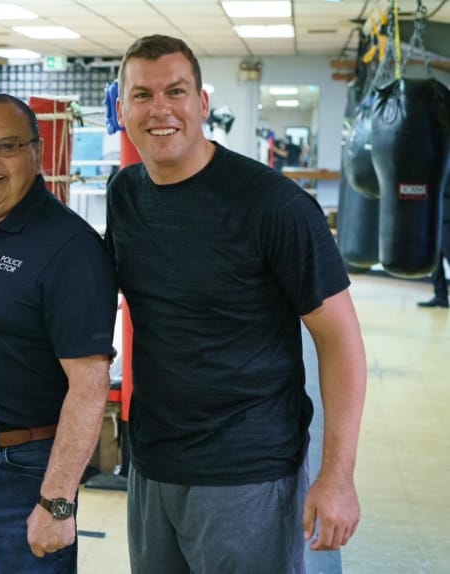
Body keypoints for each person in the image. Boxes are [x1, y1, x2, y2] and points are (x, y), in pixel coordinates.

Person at [107, 34, 367, 573]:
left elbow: (339, 337)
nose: (160, 110)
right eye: (142, 95)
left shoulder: (274, 205)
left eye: (175, 92)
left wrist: (337, 476)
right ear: (121, 108)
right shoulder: (125, 194)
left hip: (247, 473)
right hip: (153, 464)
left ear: (202, 104)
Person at [0, 94, 118, 573]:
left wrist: (57, 503)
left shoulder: (70, 248)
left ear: (36, 151)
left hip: (25, 471)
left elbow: (90, 386)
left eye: (5, 146)